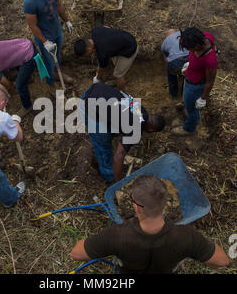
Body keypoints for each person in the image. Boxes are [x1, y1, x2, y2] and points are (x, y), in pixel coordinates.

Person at [70, 175, 230, 273]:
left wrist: (88, 243)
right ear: (165, 203)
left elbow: (76, 254)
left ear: (136, 207)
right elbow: (222, 261)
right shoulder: (186, 237)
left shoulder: (116, 236)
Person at [80, 83, 165, 182]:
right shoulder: (135, 129)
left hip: (95, 90)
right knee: (102, 145)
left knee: (111, 128)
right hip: (88, 106)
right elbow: (118, 156)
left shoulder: (142, 110)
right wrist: (119, 183)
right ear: (151, 130)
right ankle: (109, 175)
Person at [23, 0, 73, 94]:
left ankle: (58, 73)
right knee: (50, 60)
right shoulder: (30, 2)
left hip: (57, 31)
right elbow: (32, 25)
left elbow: (59, 5)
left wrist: (67, 21)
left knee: (58, 55)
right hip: (45, 37)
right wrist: (45, 42)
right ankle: (51, 82)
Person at [172, 27, 218, 135]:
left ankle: (189, 128)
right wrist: (190, 64)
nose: (188, 51)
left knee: (192, 111)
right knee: (187, 99)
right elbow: (215, 47)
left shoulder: (209, 59)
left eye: (189, 48)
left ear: (197, 46)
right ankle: (186, 103)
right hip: (189, 80)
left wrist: (203, 98)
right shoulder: (205, 36)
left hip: (196, 85)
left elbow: (210, 82)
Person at [74, 26, 138, 91]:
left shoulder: (102, 53)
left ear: (88, 49)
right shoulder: (95, 30)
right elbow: (106, 27)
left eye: (85, 54)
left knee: (118, 75)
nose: (86, 56)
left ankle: (120, 93)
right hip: (127, 37)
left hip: (130, 48)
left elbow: (102, 69)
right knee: (111, 58)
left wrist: (97, 79)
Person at [161, 29, 189, 99]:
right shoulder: (181, 33)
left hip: (176, 63)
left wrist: (174, 69)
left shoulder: (164, 43)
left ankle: (173, 94)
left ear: (166, 37)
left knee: (170, 71)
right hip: (190, 58)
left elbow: (166, 60)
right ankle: (184, 92)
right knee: (187, 75)